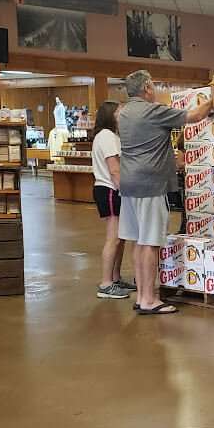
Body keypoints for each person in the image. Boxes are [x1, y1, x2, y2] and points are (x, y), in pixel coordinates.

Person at [118, 70, 211, 314]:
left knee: (138, 241)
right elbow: (196, 115)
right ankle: (150, 299)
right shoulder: (153, 111)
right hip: (150, 185)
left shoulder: (124, 112)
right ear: (147, 87)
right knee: (151, 242)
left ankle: (141, 296)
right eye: (154, 86)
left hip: (129, 185)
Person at [92, 101, 135, 299]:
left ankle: (115, 278)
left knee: (121, 238)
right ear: (110, 115)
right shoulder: (107, 136)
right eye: (118, 111)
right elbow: (114, 169)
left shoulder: (111, 136)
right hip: (110, 190)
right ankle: (106, 284)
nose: (122, 114)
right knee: (114, 238)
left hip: (112, 189)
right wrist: (126, 190)